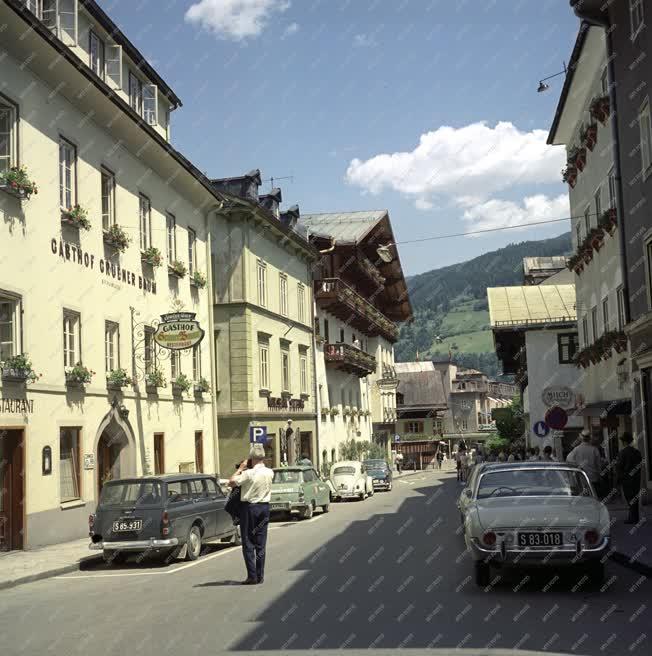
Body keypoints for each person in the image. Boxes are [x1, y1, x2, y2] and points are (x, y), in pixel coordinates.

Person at [229, 444, 274, 585]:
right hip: (264, 507)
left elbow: (231, 483)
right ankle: (260, 575)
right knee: (261, 544)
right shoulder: (270, 472)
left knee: (248, 543)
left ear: (252, 458)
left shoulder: (249, 473)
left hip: (250, 508)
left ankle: (252, 576)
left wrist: (241, 468)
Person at [616, 432, 642, 524]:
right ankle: (635, 517)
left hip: (626, 480)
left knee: (629, 499)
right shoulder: (637, 452)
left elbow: (619, 467)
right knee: (635, 498)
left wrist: (618, 481)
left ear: (624, 442)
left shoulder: (622, 453)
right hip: (636, 479)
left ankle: (632, 518)